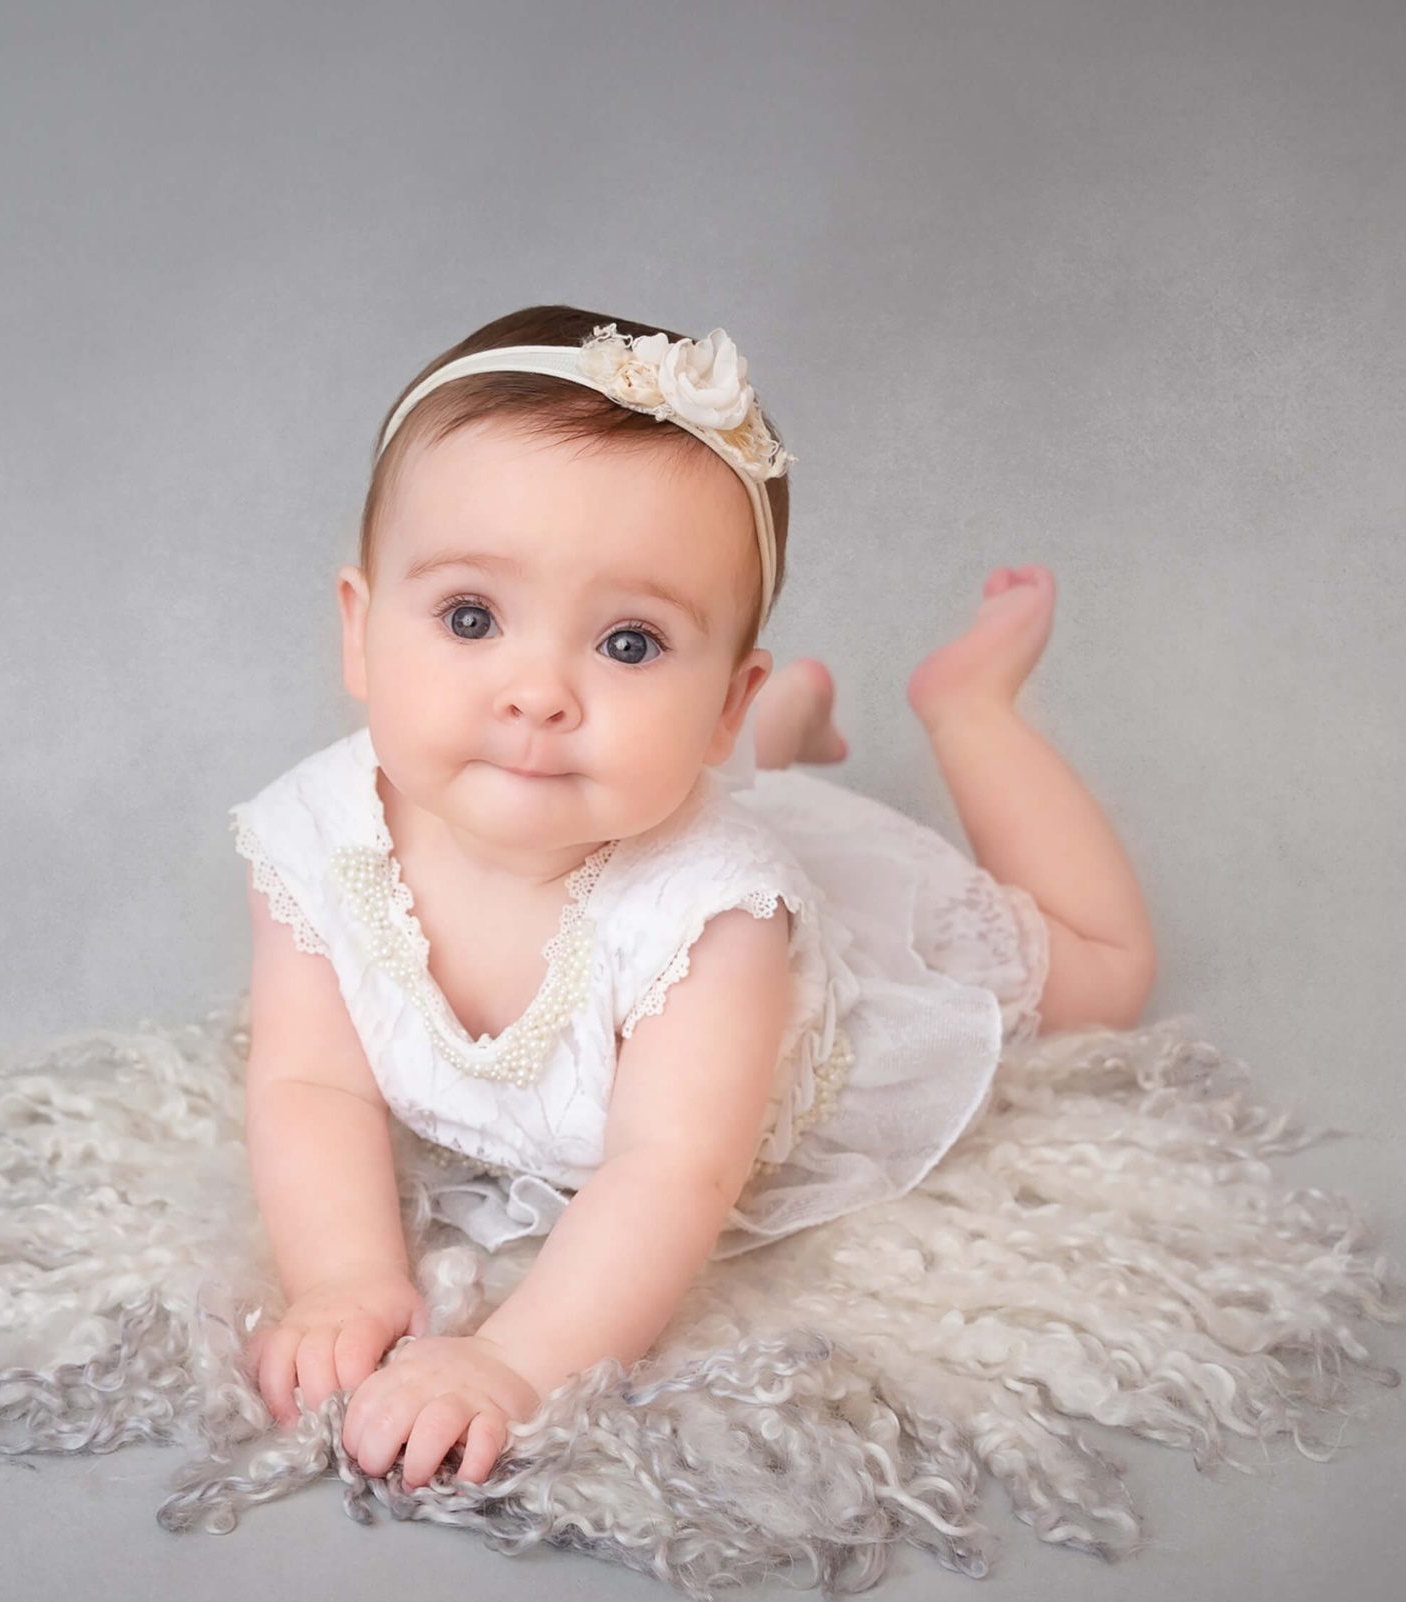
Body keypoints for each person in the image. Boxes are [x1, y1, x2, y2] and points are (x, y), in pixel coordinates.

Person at [227, 305, 1157, 1498]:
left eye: (628, 643)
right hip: (677, 790)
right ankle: (788, 731)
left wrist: (510, 1364)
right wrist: (343, 1278)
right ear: (360, 632)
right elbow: (309, 1080)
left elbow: (667, 1172)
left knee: (1103, 972)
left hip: (808, 981)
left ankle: (970, 706)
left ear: (719, 696)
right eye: (471, 618)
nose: (537, 694)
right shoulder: (316, 839)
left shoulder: (717, 919)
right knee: (641, 771)